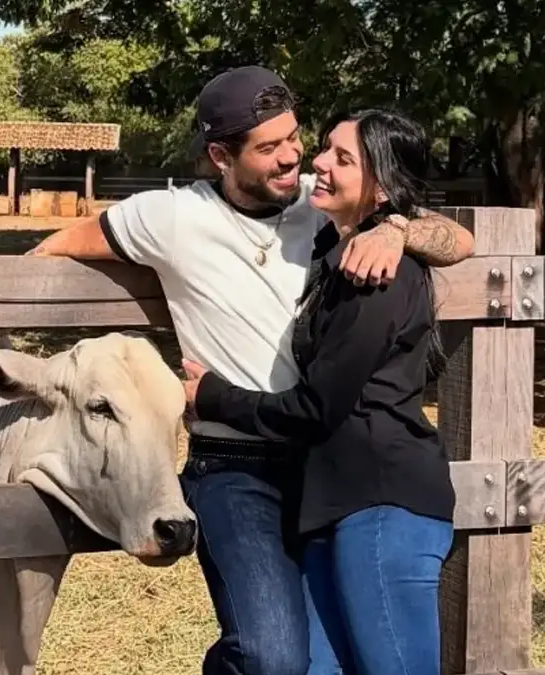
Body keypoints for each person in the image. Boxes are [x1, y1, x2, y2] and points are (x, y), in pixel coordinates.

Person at [0, 66, 473, 675]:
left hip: (324, 466)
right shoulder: (166, 217)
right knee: (272, 658)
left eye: (296, 137)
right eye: (270, 148)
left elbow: (458, 239)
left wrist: (399, 231)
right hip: (235, 466)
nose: (293, 159)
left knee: (326, 661)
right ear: (221, 155)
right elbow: (46, 253)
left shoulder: (319, 205)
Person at [181, 107, 456, 675]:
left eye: (343, 158)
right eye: (325, 148)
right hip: (335, 508)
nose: (319, 163)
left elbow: (315, 410)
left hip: (382, 505)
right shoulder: (338, 250)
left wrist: (212, 396)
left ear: (380, 189)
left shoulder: (377, 278)